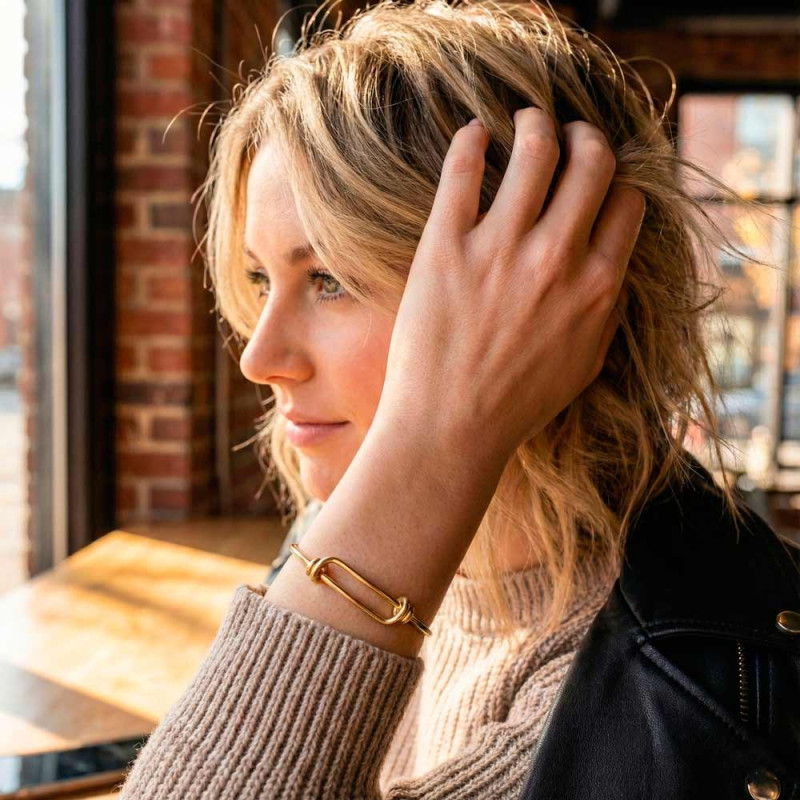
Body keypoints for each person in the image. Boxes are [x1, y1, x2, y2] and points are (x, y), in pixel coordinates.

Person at [118, 0, 800, 797]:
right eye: (263, 278)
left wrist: (432, 440)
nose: (259, 359)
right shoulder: (353, 539)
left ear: (543, 292)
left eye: (331, 279)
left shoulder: (647, 711)